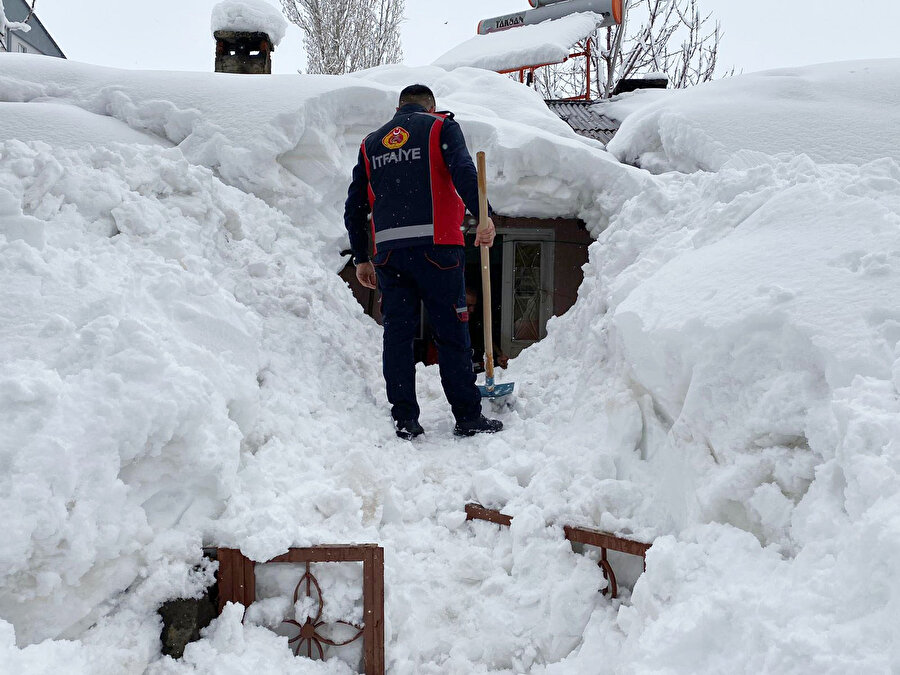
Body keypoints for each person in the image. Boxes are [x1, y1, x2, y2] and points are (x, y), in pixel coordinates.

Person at [344, 84, 504, 440]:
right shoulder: (439, 127)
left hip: (390, 254)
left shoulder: (371, 144)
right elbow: (464, 171)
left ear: (399, 107)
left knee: (398, 336)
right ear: (430, 105)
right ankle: (467, 417)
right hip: (438, 249)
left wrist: (361, 258)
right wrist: (484, 217)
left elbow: (354, 206)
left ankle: (405, 419)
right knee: (451, 333)